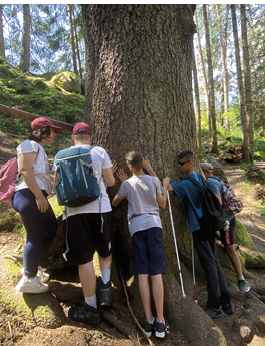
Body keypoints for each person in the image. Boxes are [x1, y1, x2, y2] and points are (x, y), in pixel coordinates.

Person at [60, 122, 116, 326]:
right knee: (105, 250)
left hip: (75, 212)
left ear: (73, 138)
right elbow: (110, 183)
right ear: (90, 137)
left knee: (84, 259)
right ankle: (106, 286)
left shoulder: (62, 154)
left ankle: (91, 308)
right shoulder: (99, 151)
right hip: (100, 208)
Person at [167, 150, 234, 319]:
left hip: (199, 227)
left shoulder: (188, 184)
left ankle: (215, 305)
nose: (179, 166)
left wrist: (152, 171)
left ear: (190, 163)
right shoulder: (199, 177)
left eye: (181, 163)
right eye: (178, 163)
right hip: (209, 226)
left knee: (209, 265)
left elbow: (167, 188)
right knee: (215, 262)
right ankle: (226, 302)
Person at [112, 152, 170, 339]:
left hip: (136, 228)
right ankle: (160, 322)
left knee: (142, 274)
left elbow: (114, 203)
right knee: (157, 273)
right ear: (142, 164)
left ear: (129, 167)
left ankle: (148, 320)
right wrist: (165, 185)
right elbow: (162, 205)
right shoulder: (154, 181)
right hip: (153, 226)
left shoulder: (128, 184)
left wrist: (122, 184)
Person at [14, 117, 62, 294]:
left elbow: (39, 174)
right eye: (52, 130)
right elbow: (25, 171)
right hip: (29, 194)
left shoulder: (38, 149)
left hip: (34, 194)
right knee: (35, 235)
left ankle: (35, 266)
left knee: (50, 227)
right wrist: (39, 197)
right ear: (41, 131)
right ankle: (29, 278)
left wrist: (57, 180)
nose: (55, 134)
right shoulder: (29, 145)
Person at [200, 162, 250, 293]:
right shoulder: (218, 178)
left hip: (225, 222)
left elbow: (218, 202)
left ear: (203, 171)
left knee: (230, 250)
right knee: (222, 239)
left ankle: (241, 279)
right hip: (225, 220)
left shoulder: (210, 182)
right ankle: (225, 241)